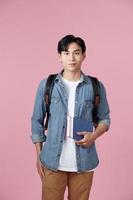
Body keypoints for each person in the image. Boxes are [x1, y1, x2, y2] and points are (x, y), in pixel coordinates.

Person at [31, 34, 111, 200]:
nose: (71, 58)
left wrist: (94, 136)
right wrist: (39, 156)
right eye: (66, 53)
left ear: (84, 56)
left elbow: (105, 119)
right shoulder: (47, 85)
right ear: (59, 56)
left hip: (84, 162)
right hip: (52, 161)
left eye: (76, 52)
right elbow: (37, 121)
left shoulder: (95, 86)